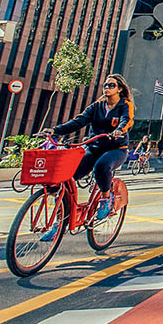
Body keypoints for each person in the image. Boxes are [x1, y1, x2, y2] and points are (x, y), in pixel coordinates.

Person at [43, 74, 134, 231]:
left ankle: (106, 197)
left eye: (111, 85)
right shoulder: (96, 107)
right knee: (67, 179)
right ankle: (60, 221)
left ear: (119, 89)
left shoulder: (125, 105)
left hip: (116, 149)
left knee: (101, 166)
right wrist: (55, 130)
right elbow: (78, 121)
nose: (107, 88)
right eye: (105, 85)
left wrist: (120, 130)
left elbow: (127, 120)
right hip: (94, 147)